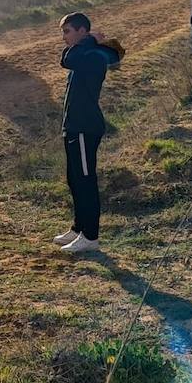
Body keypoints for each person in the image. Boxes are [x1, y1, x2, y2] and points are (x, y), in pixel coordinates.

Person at [54, 13, 124, 254]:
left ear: (83, 31)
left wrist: (90, 41)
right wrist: (86, 42)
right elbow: (68, 57)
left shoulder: (91, 55)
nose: (64, 37)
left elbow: (68, 59)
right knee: (74, 180)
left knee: (86, 181)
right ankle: (78, 229)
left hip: (85, 127)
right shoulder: (84, 52)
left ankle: (90, 236)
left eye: (67, 31)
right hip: (73, 126)